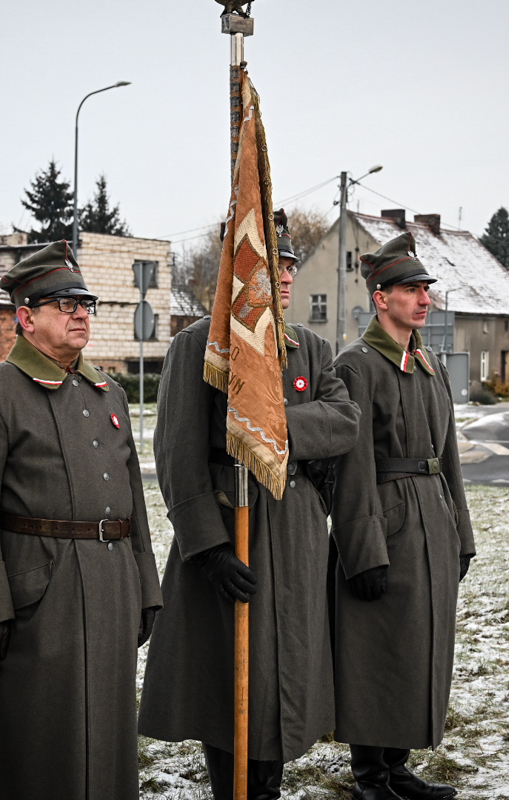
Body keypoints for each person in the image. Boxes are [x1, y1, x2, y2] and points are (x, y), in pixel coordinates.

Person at [138, 211, 360, 799]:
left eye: (290, 264)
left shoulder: (307, 346)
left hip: (297, 540)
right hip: (232, 535)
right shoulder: (199, 347)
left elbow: (343, 422)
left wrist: (265, 419)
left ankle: (266, 784)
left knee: (286, 678)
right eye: (274, 265)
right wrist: (206, 547)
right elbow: (177, 454)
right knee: (234, 688)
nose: (286, 276)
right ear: (240, 272)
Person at [0, 240, 163, 800]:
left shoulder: (107, 392)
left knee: (103, 739)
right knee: (37, 742)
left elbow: (131, 500)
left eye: (84, 301)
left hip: (109, 590)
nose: (81, 312)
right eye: (63, 303)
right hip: (38, 596)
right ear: (26, 317)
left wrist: (145, 589)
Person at [329, 233, 473, 800]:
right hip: (386, 521)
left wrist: (461, 532)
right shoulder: (356, 367)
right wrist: (362, 550)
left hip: (432, 519)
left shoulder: (429, 363)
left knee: (421, 646)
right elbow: (353, 465)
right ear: (380, 297)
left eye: (425, 289)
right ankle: (370, 776)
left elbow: (450, 456)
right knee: (379, 649)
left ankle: (397, 766)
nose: (423, 299)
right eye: (411, 290)